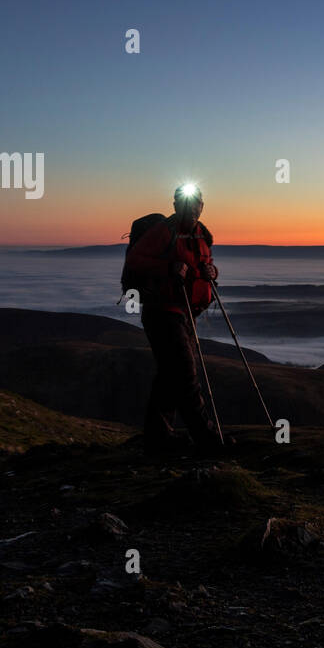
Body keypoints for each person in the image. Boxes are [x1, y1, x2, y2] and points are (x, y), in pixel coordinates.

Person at [125, 185, 224, 455]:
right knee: (185, 374)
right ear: (175, 204)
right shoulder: (163, 232)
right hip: (162, 311)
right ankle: (209, 440)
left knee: (170, 374)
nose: (193, 208)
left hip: (189, 313)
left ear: (202, 206)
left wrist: (212, 272)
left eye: (197, 203)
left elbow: (207, 262)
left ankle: (158, 436)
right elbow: (135, 260)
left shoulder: (203, 234)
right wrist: (167, 267)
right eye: (187, 203)